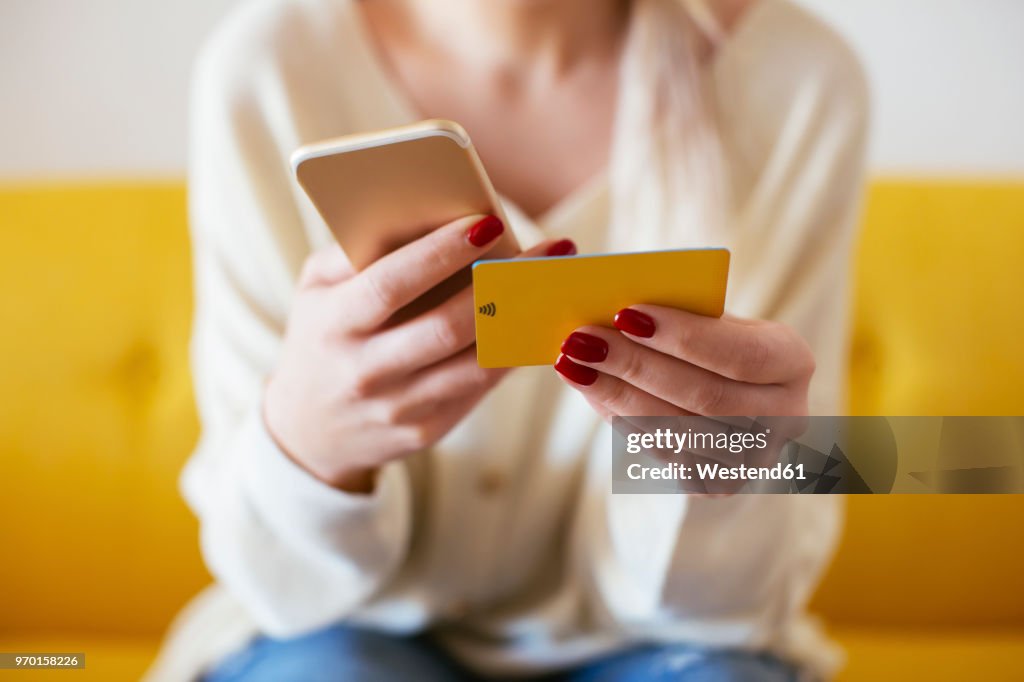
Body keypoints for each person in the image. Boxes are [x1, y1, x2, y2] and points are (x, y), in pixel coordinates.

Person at [146, 0, 869, 679]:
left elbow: (728, 608)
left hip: (660, 643)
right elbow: (276, 584)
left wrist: (720, 474)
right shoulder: (270, 70)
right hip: (345, 627)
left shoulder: (795, 85)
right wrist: (310, 445)